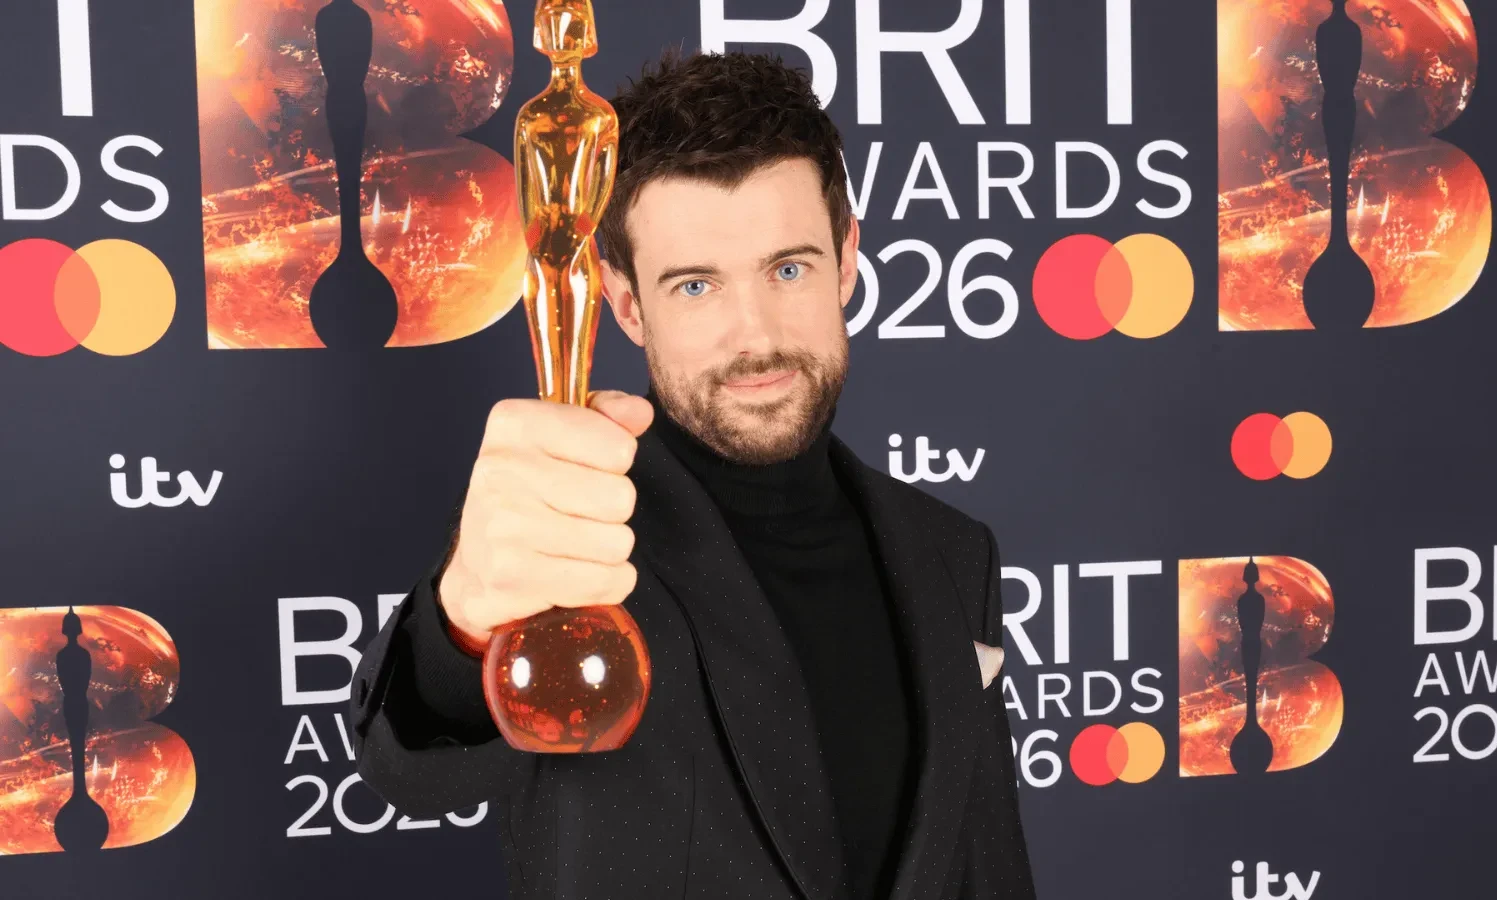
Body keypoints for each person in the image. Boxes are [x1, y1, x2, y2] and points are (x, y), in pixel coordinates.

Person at [349, 49, 1037, 900]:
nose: (755, 334)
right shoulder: (569, 540)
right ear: (628, 303)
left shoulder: (952, 551)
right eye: (697, 286)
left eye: (789, 269)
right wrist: (462, 623)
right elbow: (411, 766)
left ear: (848, 257)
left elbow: (982, 858)